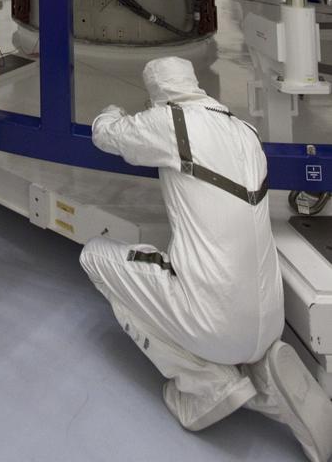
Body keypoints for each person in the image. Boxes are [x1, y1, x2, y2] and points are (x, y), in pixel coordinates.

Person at [80, 56, 332, 461]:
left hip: (214, 319)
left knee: (95, 257)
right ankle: (265, 382)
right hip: (271, 318)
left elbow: (108, 135)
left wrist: (110, 111)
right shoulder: (246, 132)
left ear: (158, 95)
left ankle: (208, 383)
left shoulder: (171, 122)